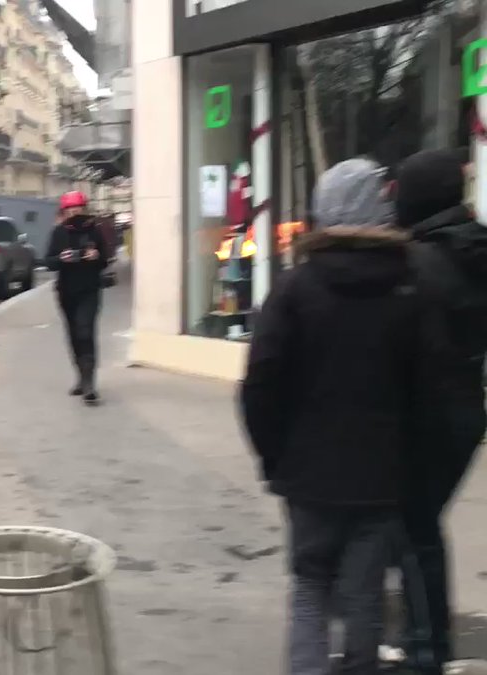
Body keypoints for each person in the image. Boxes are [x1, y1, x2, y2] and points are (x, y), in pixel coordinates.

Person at [239, 158, 437, 675]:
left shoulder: (294, 288)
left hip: (307, 477)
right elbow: (425, 391)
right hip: (379, 478)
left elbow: (260, 386)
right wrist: (411, 465)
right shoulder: (408, 287)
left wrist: (274, 457)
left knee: (309, 586)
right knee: (364, 597)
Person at [387, 148, 487, 671]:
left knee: (413, 531)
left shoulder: (420, 261)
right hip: (466, 407)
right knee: (420, 528)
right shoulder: (473, 247)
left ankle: (427, 649)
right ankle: (425, 640)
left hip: (427, 414)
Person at [45, 190, 113, 405]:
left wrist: (97, 256)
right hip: (66, 292)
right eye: (71, 209)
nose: (75, 212)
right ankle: (80, 377)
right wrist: (61, 258)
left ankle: (90, 383)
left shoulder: (95, 231)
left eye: (78, 208)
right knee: (74, 334)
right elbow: (48, 262)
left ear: (84, 209)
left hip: (89, 290)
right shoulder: (58, 233)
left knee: (86, 331)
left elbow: (105, 260)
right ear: (64, 212)